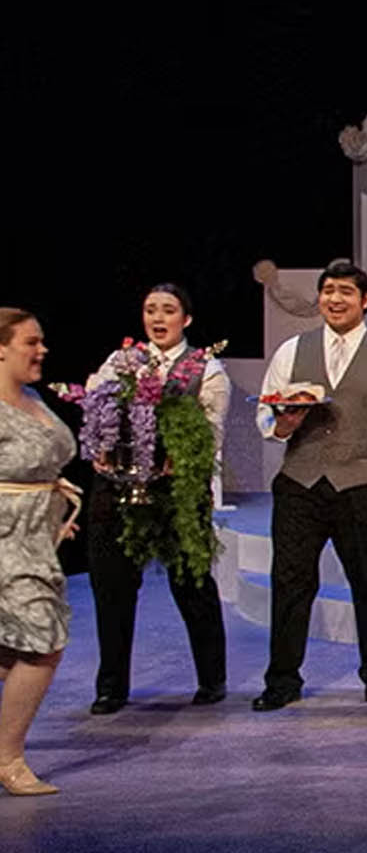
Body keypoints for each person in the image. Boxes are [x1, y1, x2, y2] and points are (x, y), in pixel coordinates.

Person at [253, 260, 367, 711]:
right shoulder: (292, 350)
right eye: (328, 291)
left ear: (366, 300)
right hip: (299, 483)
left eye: (346, 291)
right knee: (290, 583)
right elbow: (265, 416)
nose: (335, 299)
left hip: (363, 485)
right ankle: (282, 681)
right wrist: (283, 424)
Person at [83, 283, 229, 715]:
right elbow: (95, 403)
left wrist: (179, 457)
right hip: (118, 489)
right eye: (150, 310)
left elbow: (211, 434)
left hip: (176, 494)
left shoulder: (205, 368)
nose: (158, 318)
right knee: (113, 590)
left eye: (168, 310)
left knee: (192, 585)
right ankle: (111, 686)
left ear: (186, 319)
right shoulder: (121, 361)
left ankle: (212, 678)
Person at [0, 309, 80, 795]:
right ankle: (8, 758)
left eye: (43, 340)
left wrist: (51, 519)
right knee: (42, 641)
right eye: (32, 342)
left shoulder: (31, 399)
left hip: (36, 539)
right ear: (1, 347)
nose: (42, 350)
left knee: (12, 649)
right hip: (5, 541)